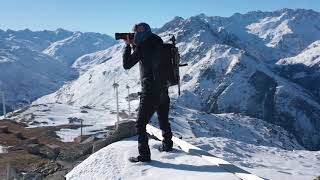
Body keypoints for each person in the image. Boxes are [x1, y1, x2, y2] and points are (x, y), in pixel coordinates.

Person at [122, 23, 173, 163]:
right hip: (164, 89)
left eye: (137, 32)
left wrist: (127, 46)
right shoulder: (158, 43)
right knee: (163, 119)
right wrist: (135, 46)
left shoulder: (142, 47)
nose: (135, 34)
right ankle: (168, 145)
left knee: (140, 124)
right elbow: (149, 59)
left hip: (150, 91)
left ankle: (144, 156)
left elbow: (127, 64)